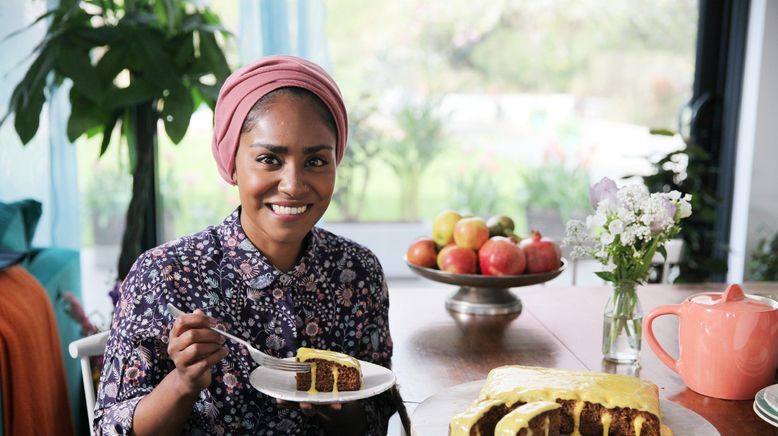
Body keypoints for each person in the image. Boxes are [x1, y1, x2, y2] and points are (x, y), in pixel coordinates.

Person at [93, 55, 395, 435]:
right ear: (231, 163)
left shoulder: (358, 271)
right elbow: (109, 428)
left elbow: (377, 415)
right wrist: (182, 383)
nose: (293, 184)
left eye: (316, 161)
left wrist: (335, 407)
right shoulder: (165, 275)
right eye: (269, 159)